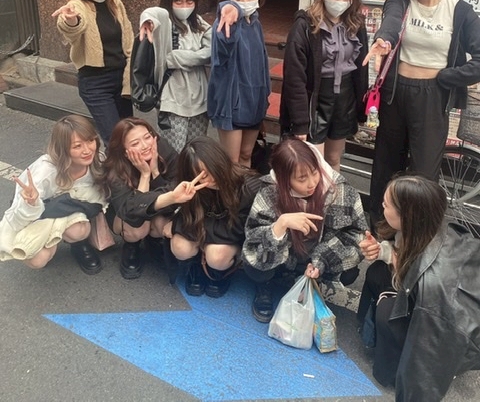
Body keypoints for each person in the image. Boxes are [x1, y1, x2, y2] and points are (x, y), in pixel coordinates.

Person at [364, 0, 480, 226]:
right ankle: (380, 229)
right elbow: (391, 23)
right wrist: (383, 39)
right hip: (395, 95)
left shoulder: (459, 11)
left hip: (433, 97)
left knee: (424, 174)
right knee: (386, 166)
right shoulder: (401, 1)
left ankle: (415, 234)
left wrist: (449, 77)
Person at [357, 175, 480, 401]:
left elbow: (428, 353)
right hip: (426, 298)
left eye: (387, 204)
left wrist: (412, 384)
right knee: (377, 273)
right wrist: (382, 251)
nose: (382, 205)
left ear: (407, 215)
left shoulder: (435, 281)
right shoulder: (428, 229)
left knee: (387, 313)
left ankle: (392, 371)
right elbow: (406, 258)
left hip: (447, 329)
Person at [242, 138, 366, 323]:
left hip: (315, 258)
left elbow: (355, 234)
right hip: (283, 259)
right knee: (256, 267)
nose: (311, 183)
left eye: (314, 172)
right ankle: (266, 285)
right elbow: (252, 244)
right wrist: (280, 226)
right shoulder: (269, 192)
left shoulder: (339, 190)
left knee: (349, 272)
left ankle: (311, 281)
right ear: (284, 179)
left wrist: (321, 261)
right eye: (301, 179)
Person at [280, 0, 368, 171]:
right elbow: (294, 77)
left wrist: (361, 109)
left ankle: (332, 193)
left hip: (344, 99)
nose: (340, 1)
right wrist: (300, 121)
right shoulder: (305, 25)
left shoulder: (356, 23)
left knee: (334, 159)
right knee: (314, 163)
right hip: (315, 99)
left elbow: (361, 70)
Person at [101, 117, 204, 279]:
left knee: (161, 223)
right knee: (138, 229)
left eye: (147, 137)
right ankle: (132, 246)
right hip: (126, 219)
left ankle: (153, 241)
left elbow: (176, 188)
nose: (145, 145)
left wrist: (155, 173)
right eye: (135, 143)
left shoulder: (162, 148)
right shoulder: (115, 169)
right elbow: (132, 213)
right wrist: (145, 175)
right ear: (124, 150)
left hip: (159, 209)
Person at [0, 115, 106, 274]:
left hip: (71, 208)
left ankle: (79, 244)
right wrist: (31, 203)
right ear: (62, 148)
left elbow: (101, 196)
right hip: (39, 214)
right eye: (77, 146)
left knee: (79, 230)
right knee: (38, 260)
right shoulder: (45, 170)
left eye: (90, 140)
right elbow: (17, 217)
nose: (87, 150)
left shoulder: (98, 160)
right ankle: (51, 240)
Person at [165, 136, 261, 298]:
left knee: (217, 256)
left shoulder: (248, 187)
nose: (211, 178)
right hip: (207, 229)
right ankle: (195, 266)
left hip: (230, 236)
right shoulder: (188, 186)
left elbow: (241, 230)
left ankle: (220, 272)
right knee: (180, 246)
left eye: (214, 169)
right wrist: (172, 204)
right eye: (202, 176)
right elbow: (161, 199)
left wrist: (179, 225)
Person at [52, 0, 134, 145]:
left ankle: (129, 166)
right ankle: (114, 165)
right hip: (96, 82)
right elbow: (72, 29)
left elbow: (128, 38)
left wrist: (129, 76)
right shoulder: (77, 6)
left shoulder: (115, 3)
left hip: (122, 78)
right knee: (114, 140)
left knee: (129, 135)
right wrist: (71, 20)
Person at [137, 0, 212, 152]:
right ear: (168, 0)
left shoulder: (197, 22)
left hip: (199, 100)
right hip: (172, 101)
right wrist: (146, 21)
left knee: (196, 152)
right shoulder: (164, 23)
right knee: (174, 153)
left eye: (189, 1)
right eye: (178, 2)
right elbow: (150, 13)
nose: (185, 7)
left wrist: (176, 58)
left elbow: (211, 51)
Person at [207, 0, 271, 167]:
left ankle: (246, 189)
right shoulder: (225, 23)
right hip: (231, 104)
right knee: (231, 163)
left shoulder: (256, 24)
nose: (245, 3)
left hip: (254, 102)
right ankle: (230, 191)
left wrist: (264, 99)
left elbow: (262, 65)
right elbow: (224, 45)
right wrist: (228, 8)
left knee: (246, 155)